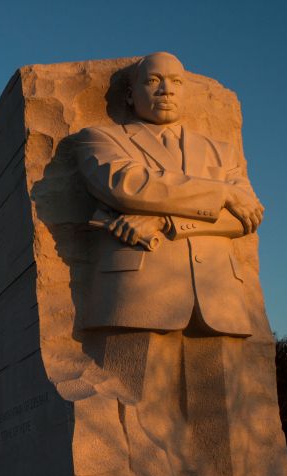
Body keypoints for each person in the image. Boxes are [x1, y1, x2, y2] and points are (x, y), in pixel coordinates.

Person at [74, 52, 265, 337]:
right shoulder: (101, 138)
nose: (167, 89)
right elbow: (128, 186)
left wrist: (164, 221)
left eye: (176, 81)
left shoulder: (221, 151)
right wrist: (223, 193)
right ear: (129, 94)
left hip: (220, 299)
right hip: (137, 294)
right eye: (153, 80)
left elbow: (245, 219)